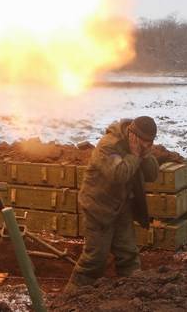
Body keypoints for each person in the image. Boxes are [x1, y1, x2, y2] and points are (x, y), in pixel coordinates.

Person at [65, 116, 160, 293]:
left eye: (150, 143)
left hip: (122, 206)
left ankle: (133, 294)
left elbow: (152, 175)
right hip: (98, 207)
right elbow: (119, 174)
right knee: (95, 259)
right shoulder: (109, 146)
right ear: (133, 136)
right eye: (144, 142)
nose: (146, 146)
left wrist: (145, 154)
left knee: (128, 255)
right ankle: (71, 296)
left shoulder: (139, 148)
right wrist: (135, 155)